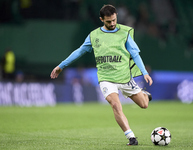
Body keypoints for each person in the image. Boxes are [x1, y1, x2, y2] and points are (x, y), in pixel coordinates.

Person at [50, 4, 153, 146]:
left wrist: (145, 73)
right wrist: (61, 66)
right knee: (115, 105)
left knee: (144, 105)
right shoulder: (94, 35)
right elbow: (79, 51)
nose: (112, 24)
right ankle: (131, 137)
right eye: (108, 21)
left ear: (116, 16)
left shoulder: (124, 33)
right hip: (106, 78)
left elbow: (135, 54)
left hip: (124, 77)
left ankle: (144, 94)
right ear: (101, 19)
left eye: (114, 20)